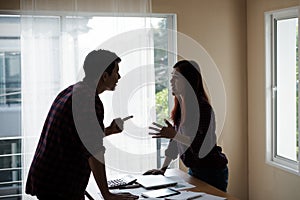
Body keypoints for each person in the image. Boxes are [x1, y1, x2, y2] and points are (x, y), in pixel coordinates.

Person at [26, 49, 138, 200]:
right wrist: (107, 194)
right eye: (116, 72)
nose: (119, 76)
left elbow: (77, 136)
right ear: (105, 76)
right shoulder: (89, 100)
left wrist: (109, 130)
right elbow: (94, 151)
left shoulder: (74, 90)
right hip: (59, 184)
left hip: (48, 178)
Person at [145, 60, 228, 192]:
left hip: (212, 171)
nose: (171, 81)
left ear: (189, 81)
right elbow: (175, 143)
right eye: (171, 76)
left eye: (176, 77)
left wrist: (175, 135)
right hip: (195, 170)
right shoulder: (179, 108)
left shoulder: (203, 109)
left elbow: (200, 145)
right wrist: (162, 169)